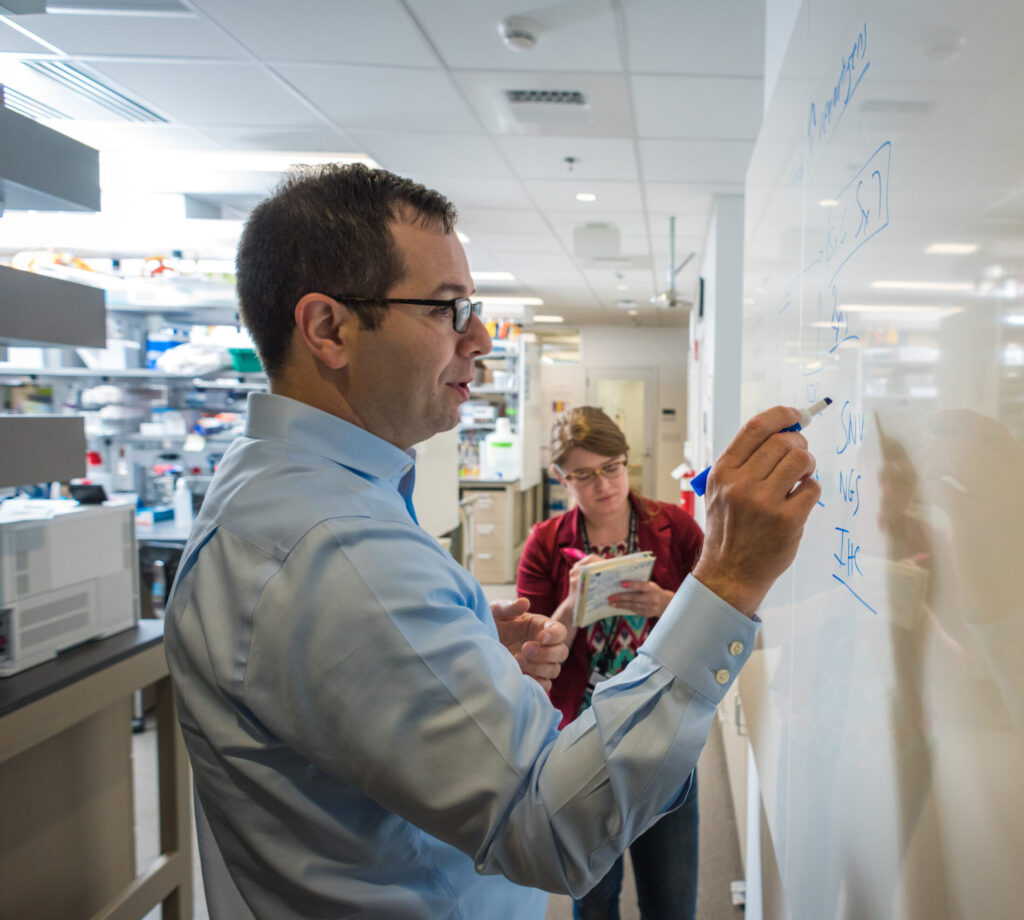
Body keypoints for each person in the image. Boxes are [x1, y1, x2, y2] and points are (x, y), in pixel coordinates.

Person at [163, 162, 821, 919]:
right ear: (328, 328)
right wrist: (729, 582)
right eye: (447, 309)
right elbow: (552, 831)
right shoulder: (336, 550)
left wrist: (464, 657)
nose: (479, 339)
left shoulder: (283, 495)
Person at [517, 406, 704, 919]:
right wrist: (571, 606)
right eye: (584, 474)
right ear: (561, 477)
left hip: (662, 732)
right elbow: (530, 657)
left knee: (670, 893)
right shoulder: (546, 543)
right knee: (593, 897)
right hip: (581, 736)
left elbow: (719, 622)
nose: (603, 484)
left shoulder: (676, 528)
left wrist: (669, 604)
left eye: (613, 467)